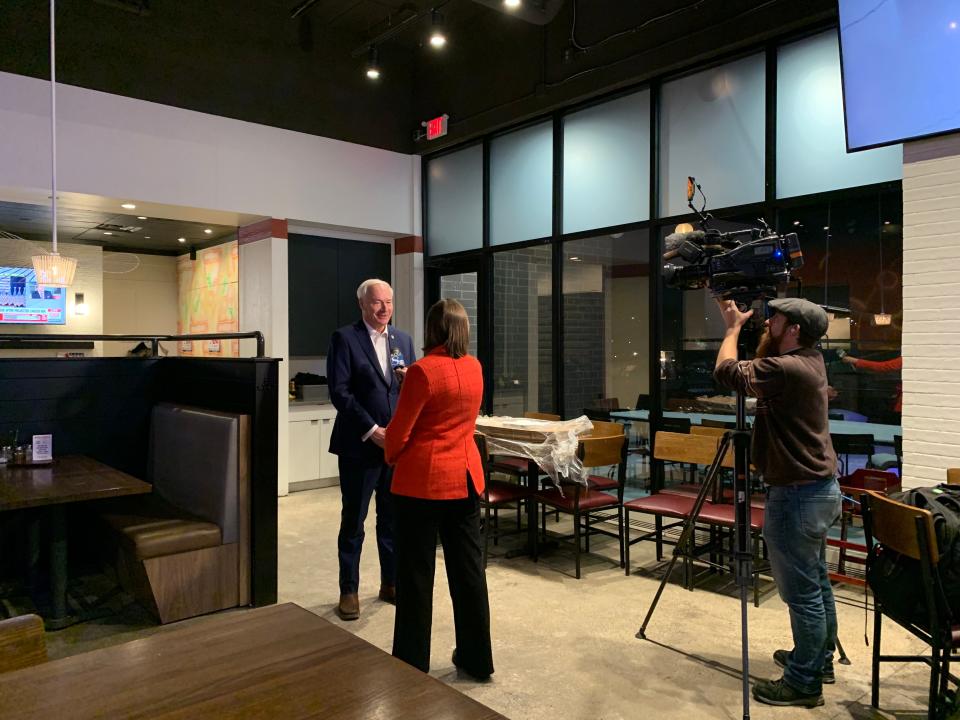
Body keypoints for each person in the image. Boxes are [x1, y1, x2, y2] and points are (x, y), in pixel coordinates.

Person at [713, 297, 840, 708]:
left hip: (797, 494)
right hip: (817, 490)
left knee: (802, 592)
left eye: (777, 319)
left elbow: (727, 372)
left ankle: (803, 682)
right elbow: (762, 358)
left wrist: (732, 330)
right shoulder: (809, 359)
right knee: (816, 583)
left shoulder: (787, 368)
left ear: (795, 330)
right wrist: (754, 328)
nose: (769, 322)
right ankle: (817, 661)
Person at [384, 298, 494, 680]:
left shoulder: (422, 371)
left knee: (415, 575)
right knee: (468, 574)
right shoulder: (475, 367)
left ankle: (412, 661)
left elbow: (399, 433)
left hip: (422, 484)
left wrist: (390, 452)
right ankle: (476, 658)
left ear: (433, 329)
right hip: (465, 479)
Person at [327, 279, 416, 621]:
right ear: (362, 304)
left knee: (392, 520)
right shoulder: (344, 338)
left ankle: (390, 583)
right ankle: (348, 590)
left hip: (395, 448)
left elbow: (407, 389)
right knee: (354, 521)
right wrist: (372, 430)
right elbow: (340, 391)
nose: (384, 309)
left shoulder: (402, 340)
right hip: (359, 446)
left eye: (389, 303)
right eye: (377, 303)